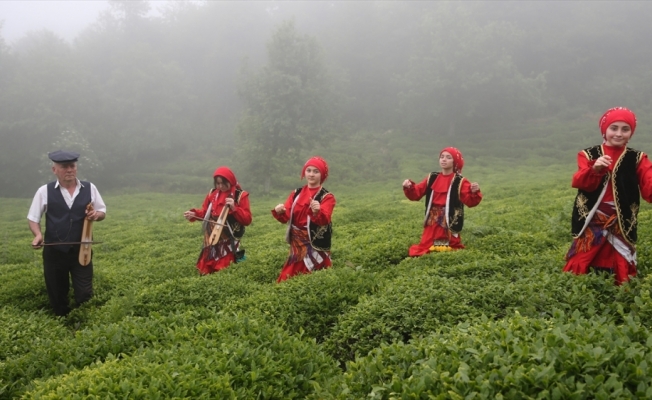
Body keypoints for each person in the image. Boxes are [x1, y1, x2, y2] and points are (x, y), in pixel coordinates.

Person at [563, 107, 652, 285]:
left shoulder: (637, 158)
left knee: (620, 256)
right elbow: (580, 182)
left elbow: (649, 184)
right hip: (592, 216)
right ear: (605, 130)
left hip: (622, 217)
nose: (619, 134)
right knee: (584, 253)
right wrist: (594, 169)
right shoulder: (588, 154)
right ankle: (577, 290)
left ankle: (620, 289)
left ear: (631, 132)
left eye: (625, 129)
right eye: (614, 128)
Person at [27, 150, 106, 316]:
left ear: (76, 168)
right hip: (55, 253)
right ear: (54, 169)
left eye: (72, 166)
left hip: (82, 251)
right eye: (64, 167)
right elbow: (33, 218)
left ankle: (83, 322)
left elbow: (102, 212)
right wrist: (38, 235)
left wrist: (96, 215)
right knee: (57, 296)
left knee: (85, 293)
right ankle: (63, 325)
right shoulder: (44, 191)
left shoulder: (90, 188)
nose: (69, 169)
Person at [402, 147, 482, 256]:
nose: (444, 160)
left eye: (448, 157)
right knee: (427, 246)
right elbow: (417, 193)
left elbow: (470, 201)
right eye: (442, 157)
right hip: (432, 219)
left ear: (455, 161)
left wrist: (474, 191)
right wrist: (409, 186)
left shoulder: (459, 181)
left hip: (449, 218)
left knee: (444, 247)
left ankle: (441, 254)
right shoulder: (432, 177)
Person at [272, 156, 335, 283]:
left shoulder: (327, 197)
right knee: (288, 278)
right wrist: (280, 211)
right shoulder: (296, 193)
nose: (311, 174)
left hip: (315, 243)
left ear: (322, 175)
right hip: (297, 244)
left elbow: (325, 219)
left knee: (317, 279)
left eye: (316, 171)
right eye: (309, 170)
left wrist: (318, 211)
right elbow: (286, 216)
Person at [184, 166, 252, 275]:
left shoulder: (240, 195)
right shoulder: (212, 194)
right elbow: (206, 212)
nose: (220, 186)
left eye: (223, 183)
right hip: (212, 233)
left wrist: (234, 208)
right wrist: (194, 214)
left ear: (230, 181)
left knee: (227, 265)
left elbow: (247, 219)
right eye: (218, 183)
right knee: (209, 261)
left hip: (228, 233)